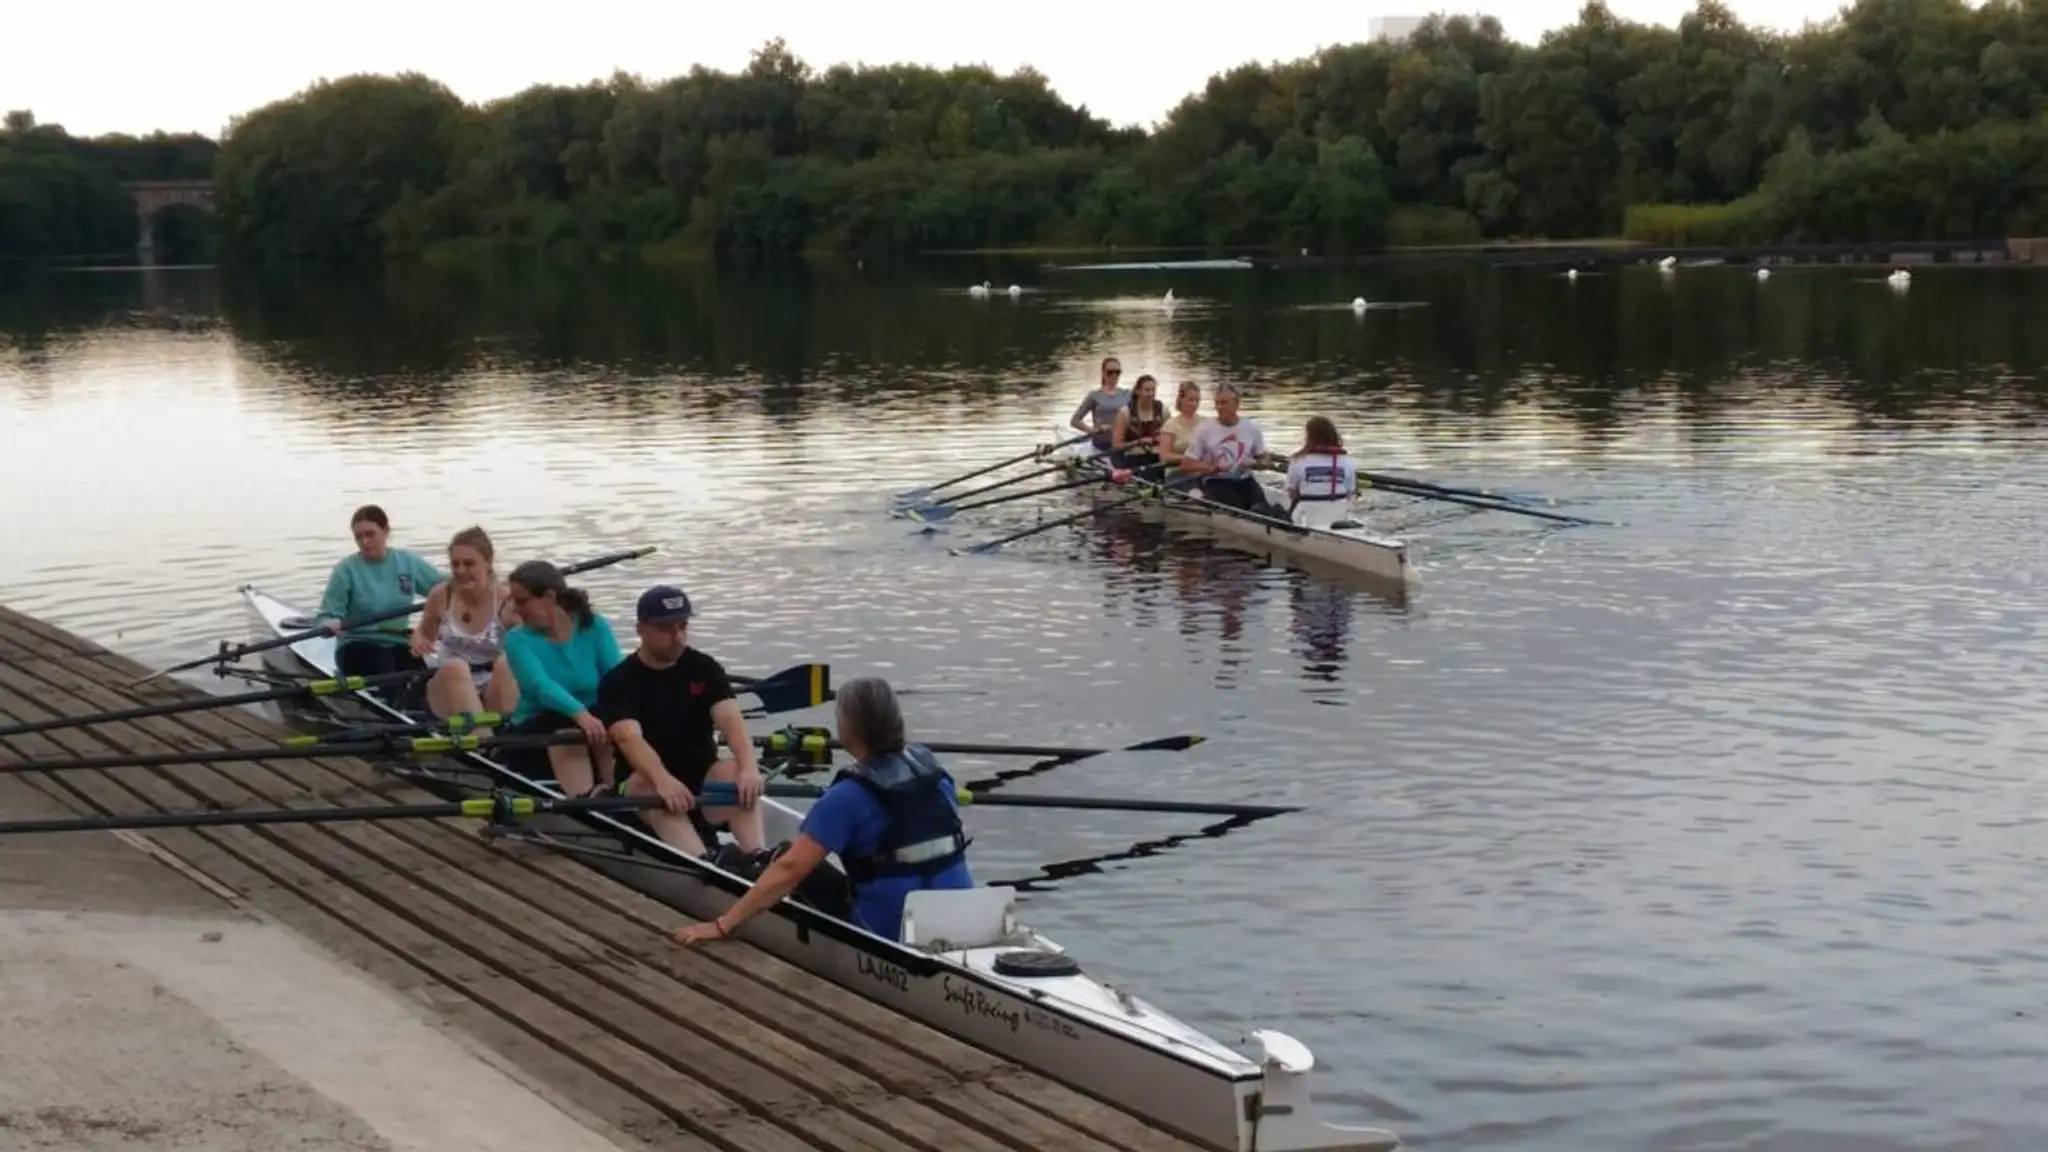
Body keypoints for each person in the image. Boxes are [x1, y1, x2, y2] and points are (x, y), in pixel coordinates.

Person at [671, 677, 974, 948]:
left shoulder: (848, 795)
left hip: (886, 930)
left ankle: (734, 867)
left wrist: (722, 925)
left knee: (784, 857)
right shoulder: (933, 771)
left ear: (849, 728)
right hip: (962, 917)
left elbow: (791, 870)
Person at [594, 585, 766, 857]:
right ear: (641, 630)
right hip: (644, 786)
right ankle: (705, 864)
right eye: (665, 629)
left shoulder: (703, 667)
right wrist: (663, 780)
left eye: (682, 626)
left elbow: (730, 718)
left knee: (736, 772)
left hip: (700, 779)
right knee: (647, 783)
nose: (678, 638)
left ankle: (758, 858)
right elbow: (629, 739)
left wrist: (749, 767)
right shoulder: (618, 682)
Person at [500, 560, 622, 796]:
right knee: (571, 732)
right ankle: (587, 802)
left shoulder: (594, 625)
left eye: (522, 601)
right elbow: (539, 686)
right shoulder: (518, 639)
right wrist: (580, 714)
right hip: (538, 725)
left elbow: (616, 676)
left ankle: (615, 793)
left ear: (549, 597)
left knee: (616, 723)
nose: (515, 609)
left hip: (593, 721)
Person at [409, 526, 519, 732]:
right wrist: (417, 639)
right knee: (456, 668)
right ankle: (487, 744)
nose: (460, 571)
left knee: (507, 663)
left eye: (469, 564)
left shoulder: (507, 601)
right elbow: (425, 635)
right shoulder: (441, 595)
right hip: (447, 687)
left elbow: (536, 648)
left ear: (487, 563)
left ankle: (506, 734)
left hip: (493, 688)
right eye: (455, 564)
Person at [318, 504, 446, 680]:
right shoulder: (346, 570)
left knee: (418, 674)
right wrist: (329, 623)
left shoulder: (407, 561)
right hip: (356, 644)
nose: (365, 542)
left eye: (370, 534)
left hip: (397, 642)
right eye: (359, 537)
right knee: (382, 663)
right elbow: (326, 615)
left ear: (386, 531)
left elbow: (445, 587)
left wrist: (481, 582)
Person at [1173, 382, 1291, 521]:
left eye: (1223, 403)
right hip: (1216, 482)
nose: (1218, 407)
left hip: (1245, 481)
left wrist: (1255, 463)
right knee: (1248, 512)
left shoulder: (1251, 428)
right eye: (1217, 403)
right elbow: (1186, 465)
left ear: (1236, 403)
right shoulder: (1204, 430)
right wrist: (1214, 467)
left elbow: (1265, 461)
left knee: (1263, 508)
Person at [1285, 417, 1362, 529]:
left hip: (1307, 517)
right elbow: (1351, 494)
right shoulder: (1347, 462)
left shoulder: (1298, 460)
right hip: (1338, 516)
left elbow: (1292, 493)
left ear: (1309, 436)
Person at [1109, 373, 1167, 476]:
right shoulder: (1125, 412)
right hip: (1133, 456)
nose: (1151, 394)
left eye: (1153, 390)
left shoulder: (1163, 410)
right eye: (1147, 390)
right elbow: (1117, 445)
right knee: (1150, 474)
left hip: (1157, 456)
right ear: (1138, 391)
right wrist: (1138, 442)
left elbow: (1171, 437)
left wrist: (1162, 439)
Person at [1068, 356, 1128, 453]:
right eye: (1110, 372)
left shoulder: (1126, 394)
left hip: (1121, 443)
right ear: (1103, 373)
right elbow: (1075, 421)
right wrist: (1093, 431)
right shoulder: (1094, 396)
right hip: (1102, 444)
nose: (1114, 376)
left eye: (1117, 372)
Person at [1157, 381, 1204, 471]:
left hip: (1202, 470)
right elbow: (1164, 455)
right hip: (1177, 472)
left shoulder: (1206, 422)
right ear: (1181, 400)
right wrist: (1186, 458)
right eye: (1191, 400)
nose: (1194, 404)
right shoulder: (1170, 425)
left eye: (1197, 400)